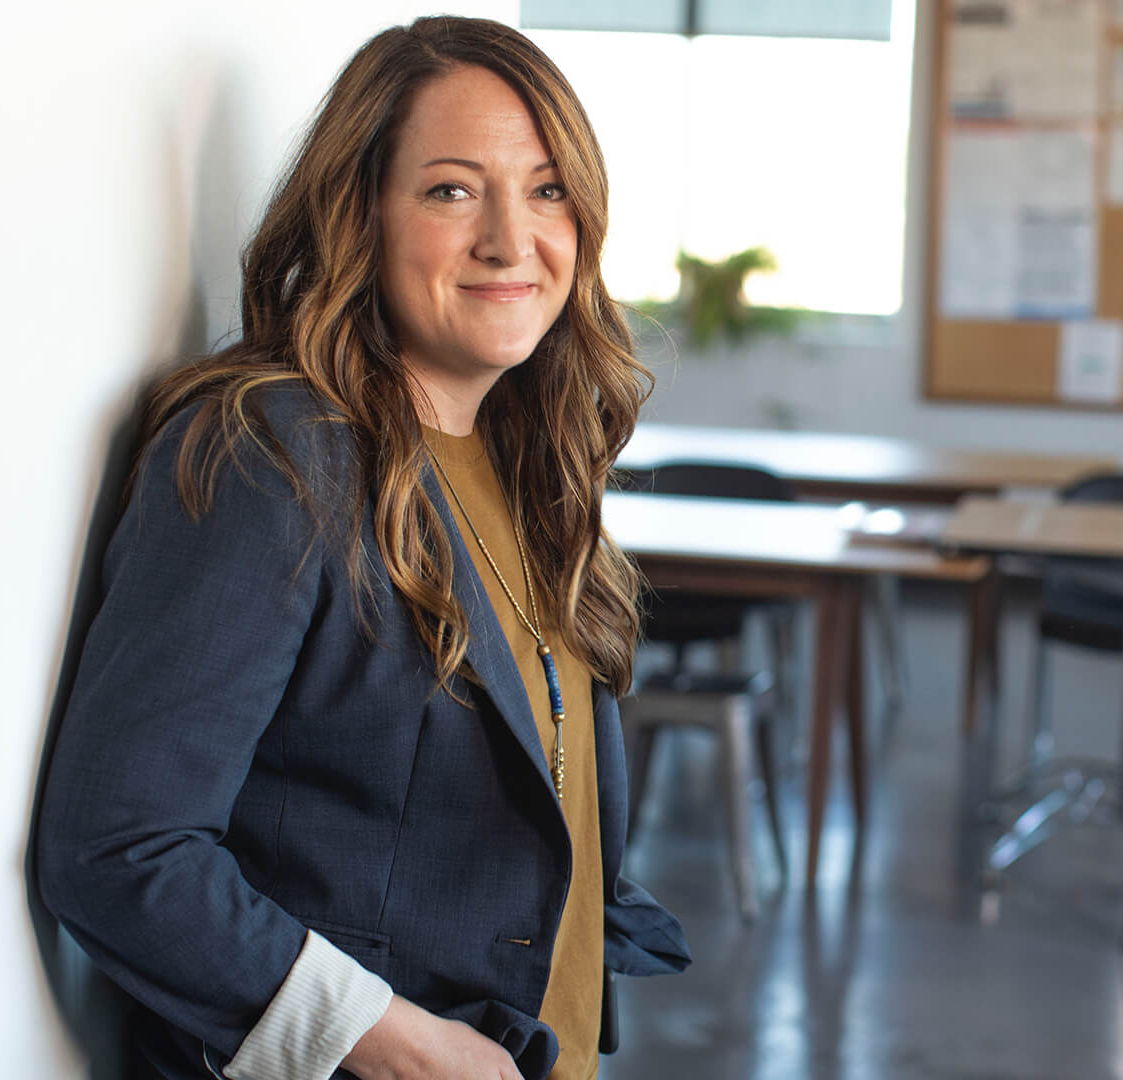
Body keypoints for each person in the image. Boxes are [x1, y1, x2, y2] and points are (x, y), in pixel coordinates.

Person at [35, 17, 688, 1080]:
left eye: (548, 188)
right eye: (451, 190)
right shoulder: (275, 452)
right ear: (362, 214)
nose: (511, 241)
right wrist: (403, 1048)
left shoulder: (532, 459)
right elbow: (117, 848)